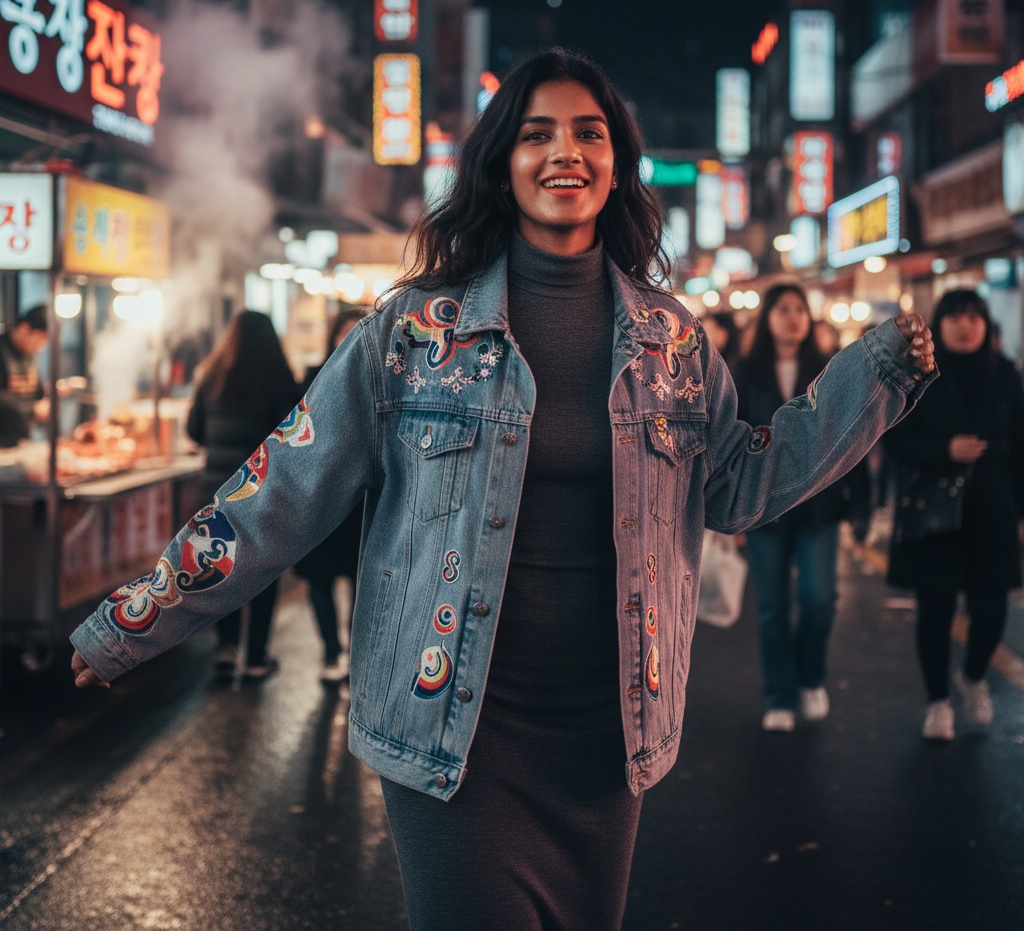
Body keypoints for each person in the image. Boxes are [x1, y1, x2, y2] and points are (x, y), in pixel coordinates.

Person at [70, 48, 936, 931]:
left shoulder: (671, 342)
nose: (565, 152)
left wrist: (876, 375)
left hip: (608, 737)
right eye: (536, 134)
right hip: (455, 736)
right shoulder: (412, 333)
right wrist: (137, 620)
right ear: (501, 163)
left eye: (589, 134)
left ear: (616, 164)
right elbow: (282, 487)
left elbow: (740, 485)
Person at [885, 288, 1024, 741]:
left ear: (986, 325)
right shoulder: (918, 374)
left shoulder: (1006, 375)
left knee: (991, 608)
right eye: (955, 316)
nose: (965, 325)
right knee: (935, 610)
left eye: (974, 317)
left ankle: (975, 676)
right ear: (939, 325)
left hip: (993, 511)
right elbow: (895, 441)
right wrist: (945, 449)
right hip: (935, 513)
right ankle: (938, 702)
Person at [733, 284, 872, 733]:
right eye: (783, 309)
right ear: (767, 318)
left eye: (799, 309)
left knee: (819, 600)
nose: (793, 317)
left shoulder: (828, 370)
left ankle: (810, 677)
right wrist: (730, 511)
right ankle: (779, 695)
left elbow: (854, 436)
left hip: (819, 504)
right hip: (764, 506)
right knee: (772, 608)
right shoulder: (743, 373)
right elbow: (731, 442)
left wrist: (861, 504)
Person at [185, 310, 299, 680]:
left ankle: (226, 648)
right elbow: (291, 438)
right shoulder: (280, 379)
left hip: (216, 493)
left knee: (222, 571)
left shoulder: (211, 377)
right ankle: (255, 658)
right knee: (263, 573)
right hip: (260, 493)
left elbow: (194, 431)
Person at [292, 305, 368, 682]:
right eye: (344, 332)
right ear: (332, 338)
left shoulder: (382, 382)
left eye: (359, 332)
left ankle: (355, 656)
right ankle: (331, 652)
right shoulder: (312, 379)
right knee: (318, 579)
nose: (350, 340)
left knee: (362, 581)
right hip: (319, 498)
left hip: (362, 500)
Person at [0, 304, 49, 447]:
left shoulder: (30, 354)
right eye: (41, 338)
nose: (42, 346)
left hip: (22, 438)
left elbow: (37, 391)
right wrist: (32, 408)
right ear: (25, 328)